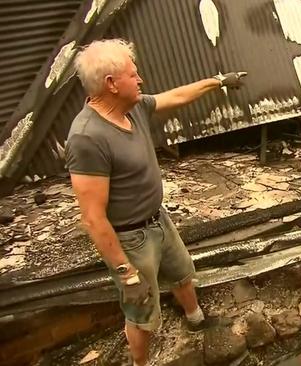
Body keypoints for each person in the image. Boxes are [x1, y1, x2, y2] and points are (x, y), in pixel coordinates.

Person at [65, 38, 246, 366]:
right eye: (134, 75)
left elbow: (175, 96)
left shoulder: (132, 107)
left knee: (181, 273)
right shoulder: (87, 137)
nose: (141, 80)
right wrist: (126, 274)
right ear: (111, 84)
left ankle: (195, 319)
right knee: (141, 311)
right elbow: (92, 218)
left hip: (157, 219)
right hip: (130, 238)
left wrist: (218, 82)